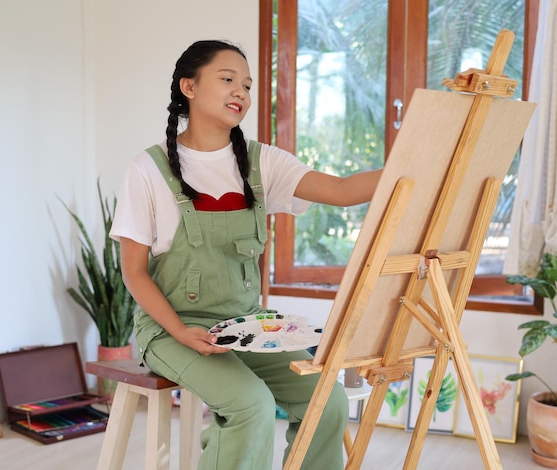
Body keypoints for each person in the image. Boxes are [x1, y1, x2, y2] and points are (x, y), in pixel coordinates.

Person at [110, 39, 382, 470]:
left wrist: (416, 164)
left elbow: (342, 191)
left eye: (248, 85)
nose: (241, 92)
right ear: (189, 87)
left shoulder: (262, 162)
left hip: (244, 324)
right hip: (171, 331)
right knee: (250, 405)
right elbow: (134, 272)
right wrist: (181, 332)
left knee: (325, 397)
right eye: (228, 80)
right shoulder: (148, 170)